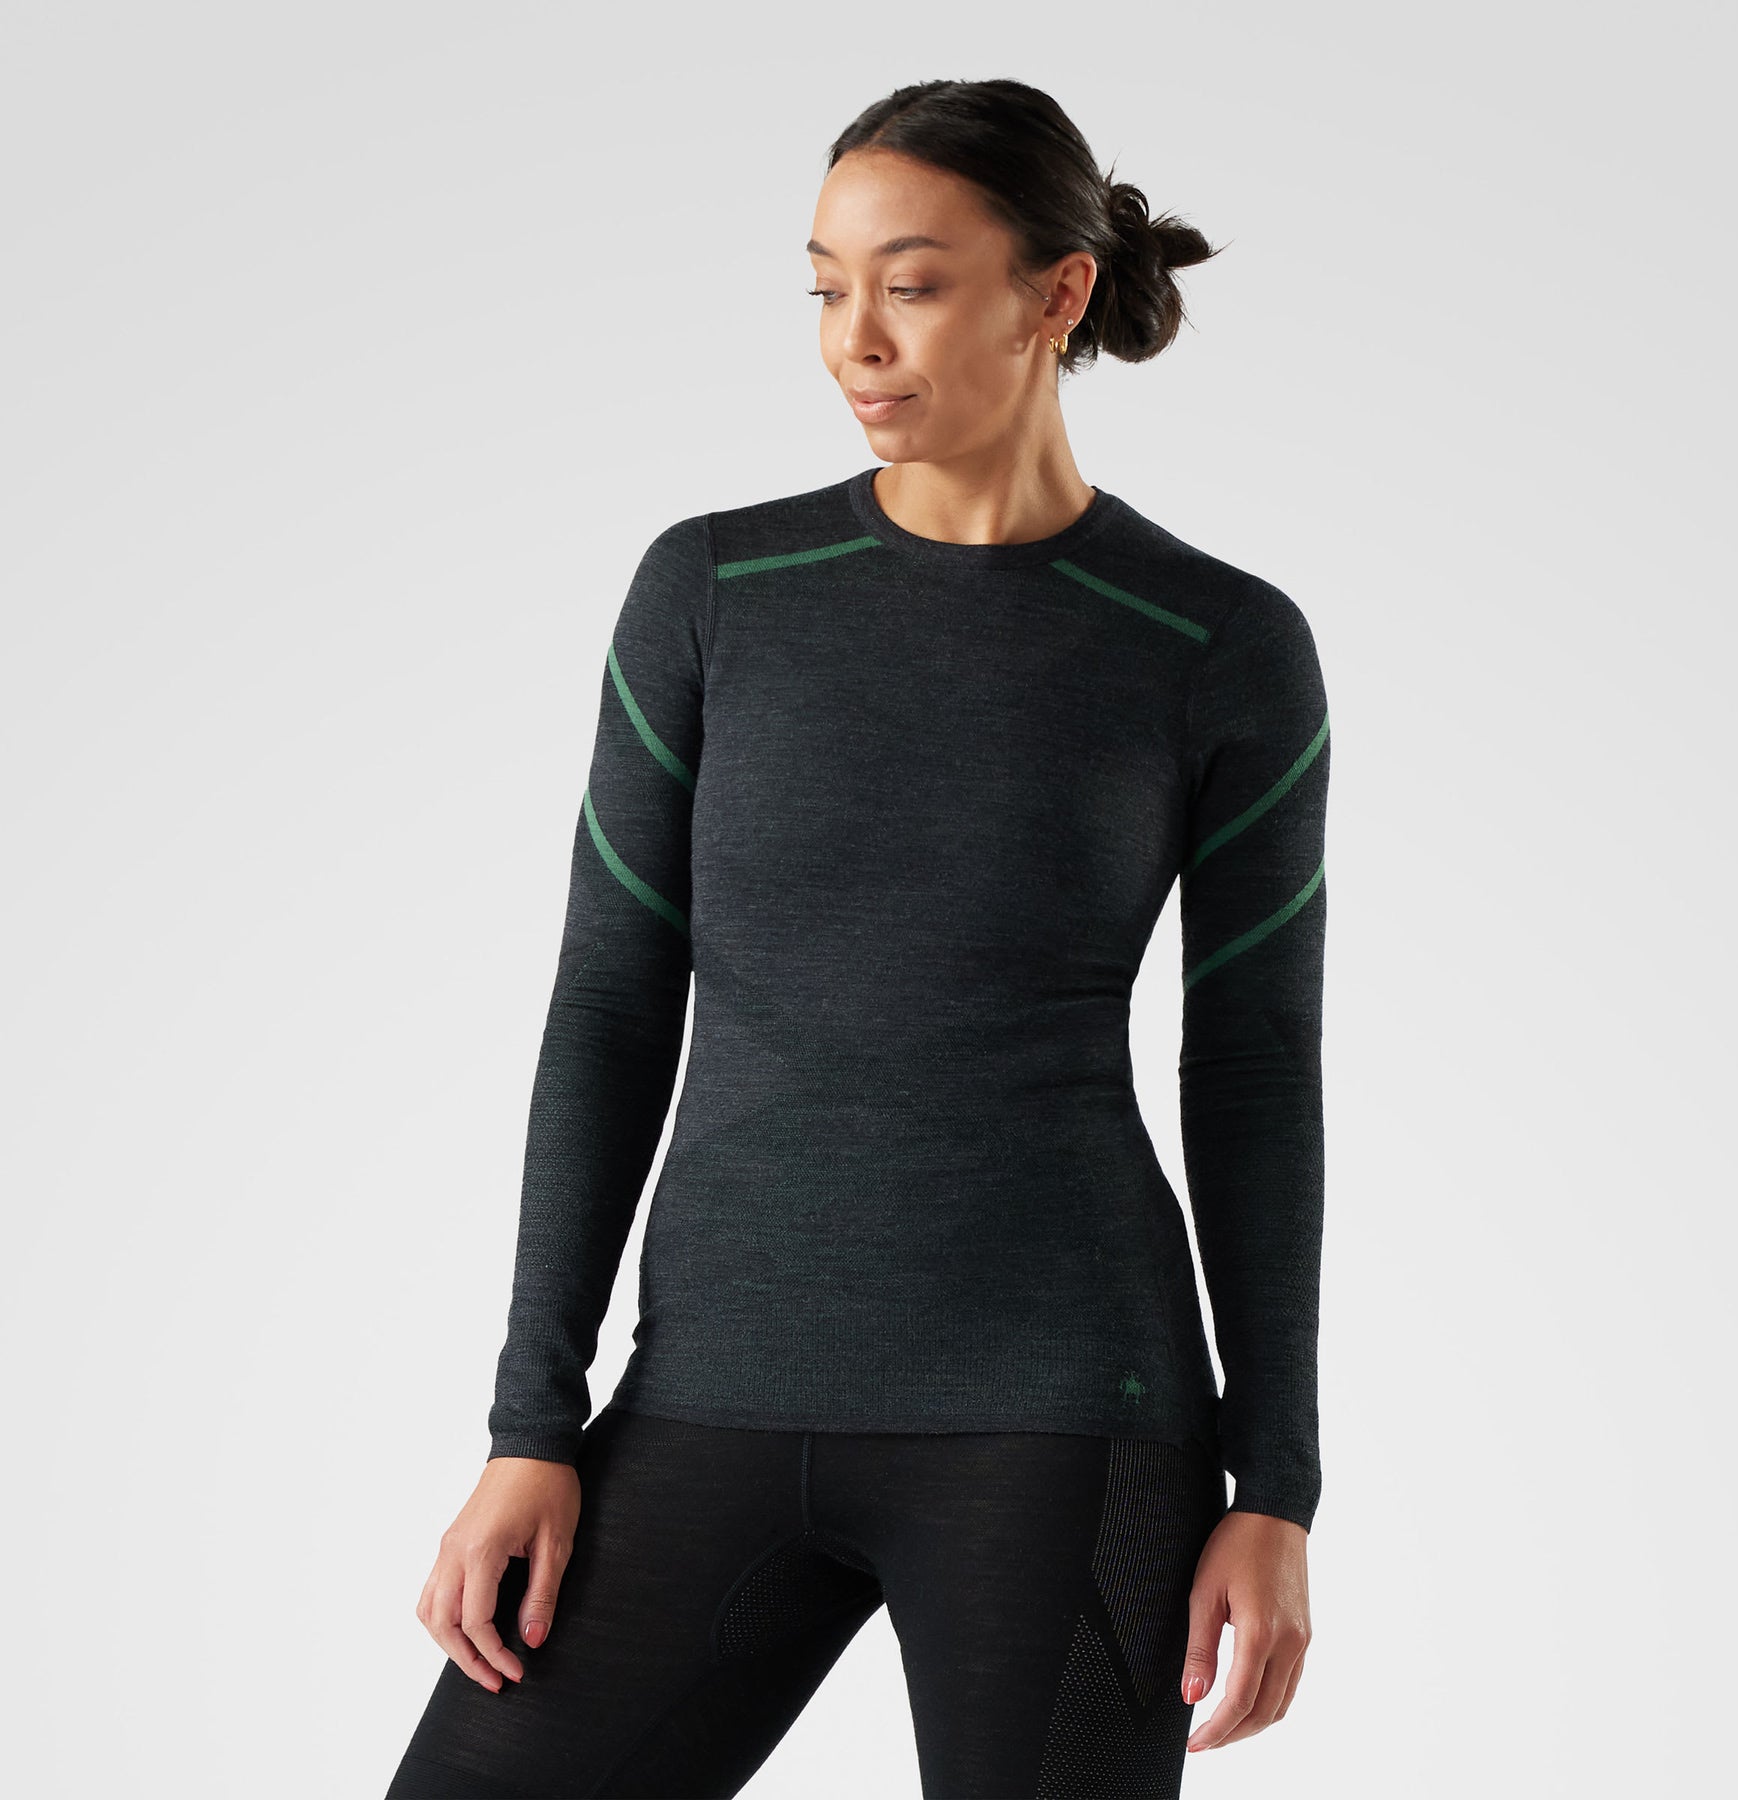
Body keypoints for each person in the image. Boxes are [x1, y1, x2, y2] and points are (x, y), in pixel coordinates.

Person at [385, 75, 1330, 1800]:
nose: (855, 341)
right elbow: (609, 1008)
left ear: (1055, 295)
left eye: (912, 285)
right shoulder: (714, 594)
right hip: (710, 1392)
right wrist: (532, 1423)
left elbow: (1255, 1072)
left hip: (1068, 1417)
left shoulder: (1211, 641)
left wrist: (1276, 1488)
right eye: (826, 288)